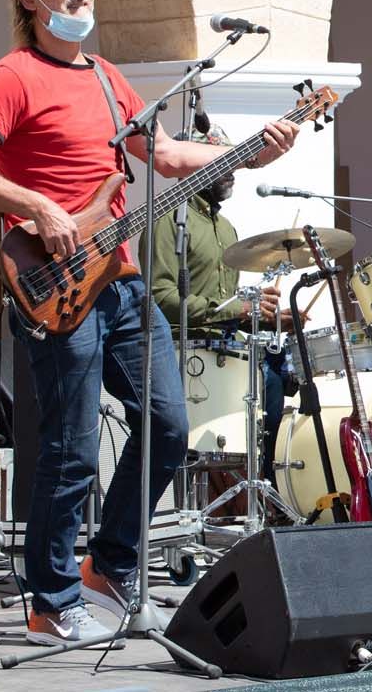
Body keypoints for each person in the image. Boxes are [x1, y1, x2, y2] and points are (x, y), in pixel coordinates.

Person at [0, 0, 299, 647]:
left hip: (123, 281)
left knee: (169, 425)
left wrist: (250, 150)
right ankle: (51, 599)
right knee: (73, 446)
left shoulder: (110, 80)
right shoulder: (11, 76)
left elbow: (165, 156)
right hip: (55, 284)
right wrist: (38, 205)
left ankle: (108, 564)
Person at [149, 124, 297, 485]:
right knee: (270, 381)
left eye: (232, 163)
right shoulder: (169, 220)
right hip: (187, 355)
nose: (231, 172)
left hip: (228, 352)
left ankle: (267, 486)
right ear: (194, 165)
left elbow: (228, 305)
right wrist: (241, 310)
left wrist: (268, 316)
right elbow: (159, 297)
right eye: (222, 162)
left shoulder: (227, 228)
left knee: (280, 375)